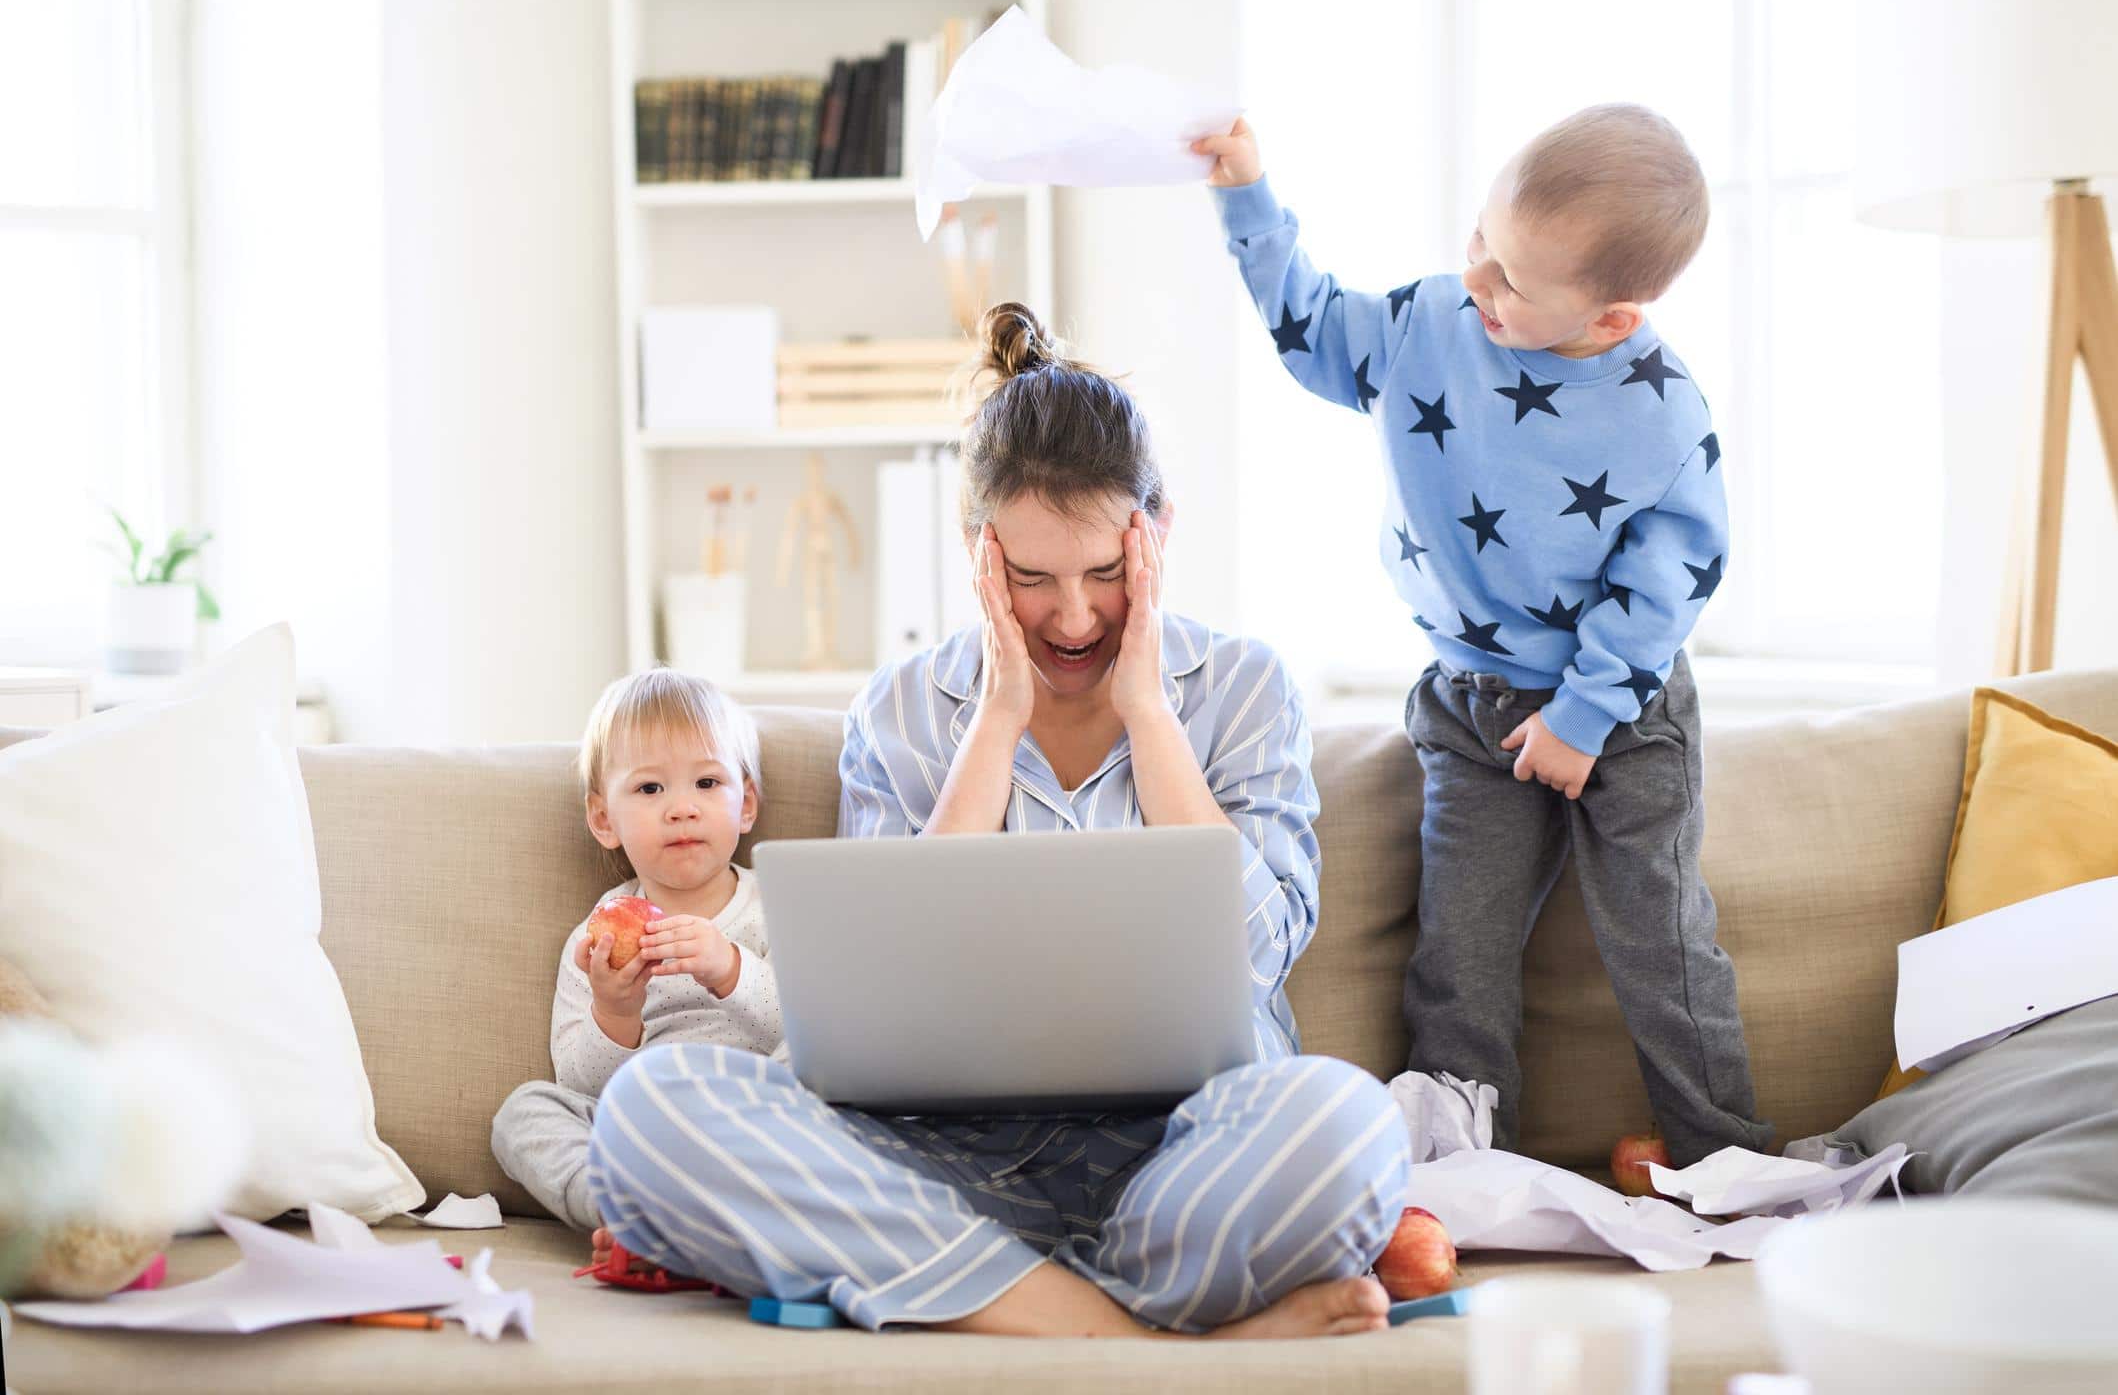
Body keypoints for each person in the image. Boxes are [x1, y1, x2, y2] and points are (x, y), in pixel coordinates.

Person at [581, 303, 1411, 1339]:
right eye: (1031, 579)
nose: (1072, 618)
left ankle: (998, 1303)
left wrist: (1151, 715)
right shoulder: (901, 711)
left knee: (1347, 1126)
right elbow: (876, 995)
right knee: (651, 1116)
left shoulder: (1241, 690)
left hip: (1185, 1155)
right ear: (979, 554)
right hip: (928, 1162)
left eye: (1107, 573)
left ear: (1156, 534)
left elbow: (1253, 959)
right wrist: (1000, 717)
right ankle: (1124, 1336)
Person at [1191, 104, 1771, 1168]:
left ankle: (1725, 1157)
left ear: (1611, 320)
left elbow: (1673, 574)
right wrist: (1245, 192)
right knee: (1459, 950)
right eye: (1479, 244)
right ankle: (1456, 1161)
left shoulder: (1661, 413)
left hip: (1625, 711)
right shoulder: (1430, 325)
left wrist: (1586, 716)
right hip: (1473, 705)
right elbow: (1312, 330)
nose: (1478, 284)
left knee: (1660, 943)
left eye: (1513, 281)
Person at [490, 669, 782, 1232]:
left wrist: (730, 969)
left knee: (819, 1088)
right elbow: (581, 1084)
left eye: (706, 784)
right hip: (644, 1137)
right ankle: (623, 1215)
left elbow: (810, 1038)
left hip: (751, 1116)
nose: (681, 808)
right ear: (604, 820)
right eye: (650, 789)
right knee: (525, 1112)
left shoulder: (774, 905)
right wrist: (615, 1013)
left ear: (745, 805)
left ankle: (705, 1219)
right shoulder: (594, 940)